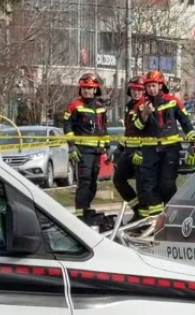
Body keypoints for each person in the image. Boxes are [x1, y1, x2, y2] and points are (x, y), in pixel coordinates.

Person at [135, 70, 195, 216]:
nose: (151, 89)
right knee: (149, 186)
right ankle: (156, 219)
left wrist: (192, 140)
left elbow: (185, 122)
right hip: (150, 150)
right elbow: (137, 128)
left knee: (167, 184)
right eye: (149, 86)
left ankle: (172, 215)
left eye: (154, 86)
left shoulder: (173, 101)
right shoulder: (141, 105)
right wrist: (145, 113)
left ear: (161, 85)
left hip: (170, 149)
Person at [62, 72, 109, 222]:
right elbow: (67, 126)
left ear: (95, 89)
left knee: (93, 182)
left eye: (89, 88)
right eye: (84, 88)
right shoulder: (74, 106)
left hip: (97, 151)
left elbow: (104, 128)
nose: (87, 91)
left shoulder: (101, 107)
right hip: (83, 151)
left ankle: (87, 210)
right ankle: (80, 215)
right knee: (85, 182)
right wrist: (72, 147)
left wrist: (107, 147)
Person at [113, 76, 147, 219]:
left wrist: (141, 150)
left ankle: (144, 218)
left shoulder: (146, 105)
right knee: (118, 179)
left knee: (142, 185)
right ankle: (137, 209)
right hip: (129, 152)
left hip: (142, 153)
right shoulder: (129, 106)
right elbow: (129, 130)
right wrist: (120, 147)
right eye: (133, 89)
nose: (136, 93)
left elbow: (148, 130)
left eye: (139, 90)